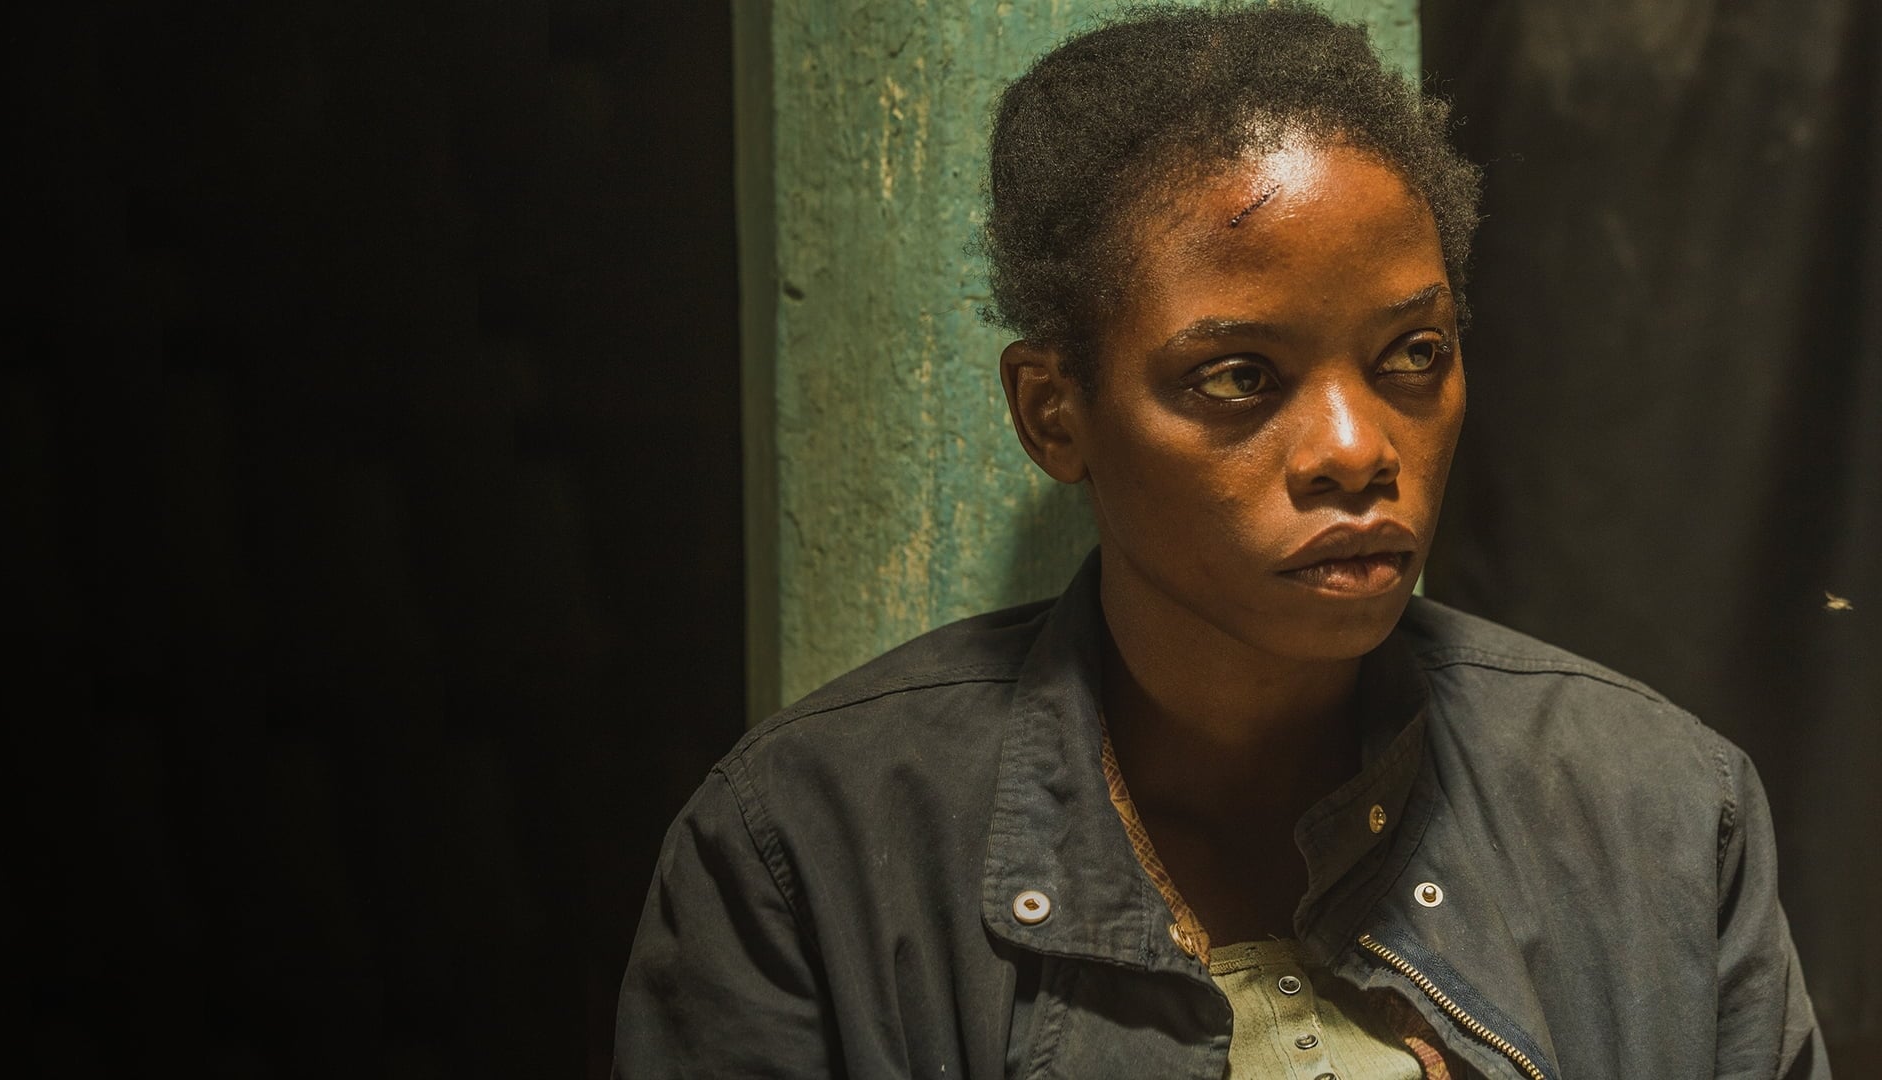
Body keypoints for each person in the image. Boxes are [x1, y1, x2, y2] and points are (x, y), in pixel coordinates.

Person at [615, 4, 1827, 1076]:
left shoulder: (1660, 813)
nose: (1356, 447)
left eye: (1414, 354)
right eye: (1240, 376)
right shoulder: (803, 851)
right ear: (1054, 413)